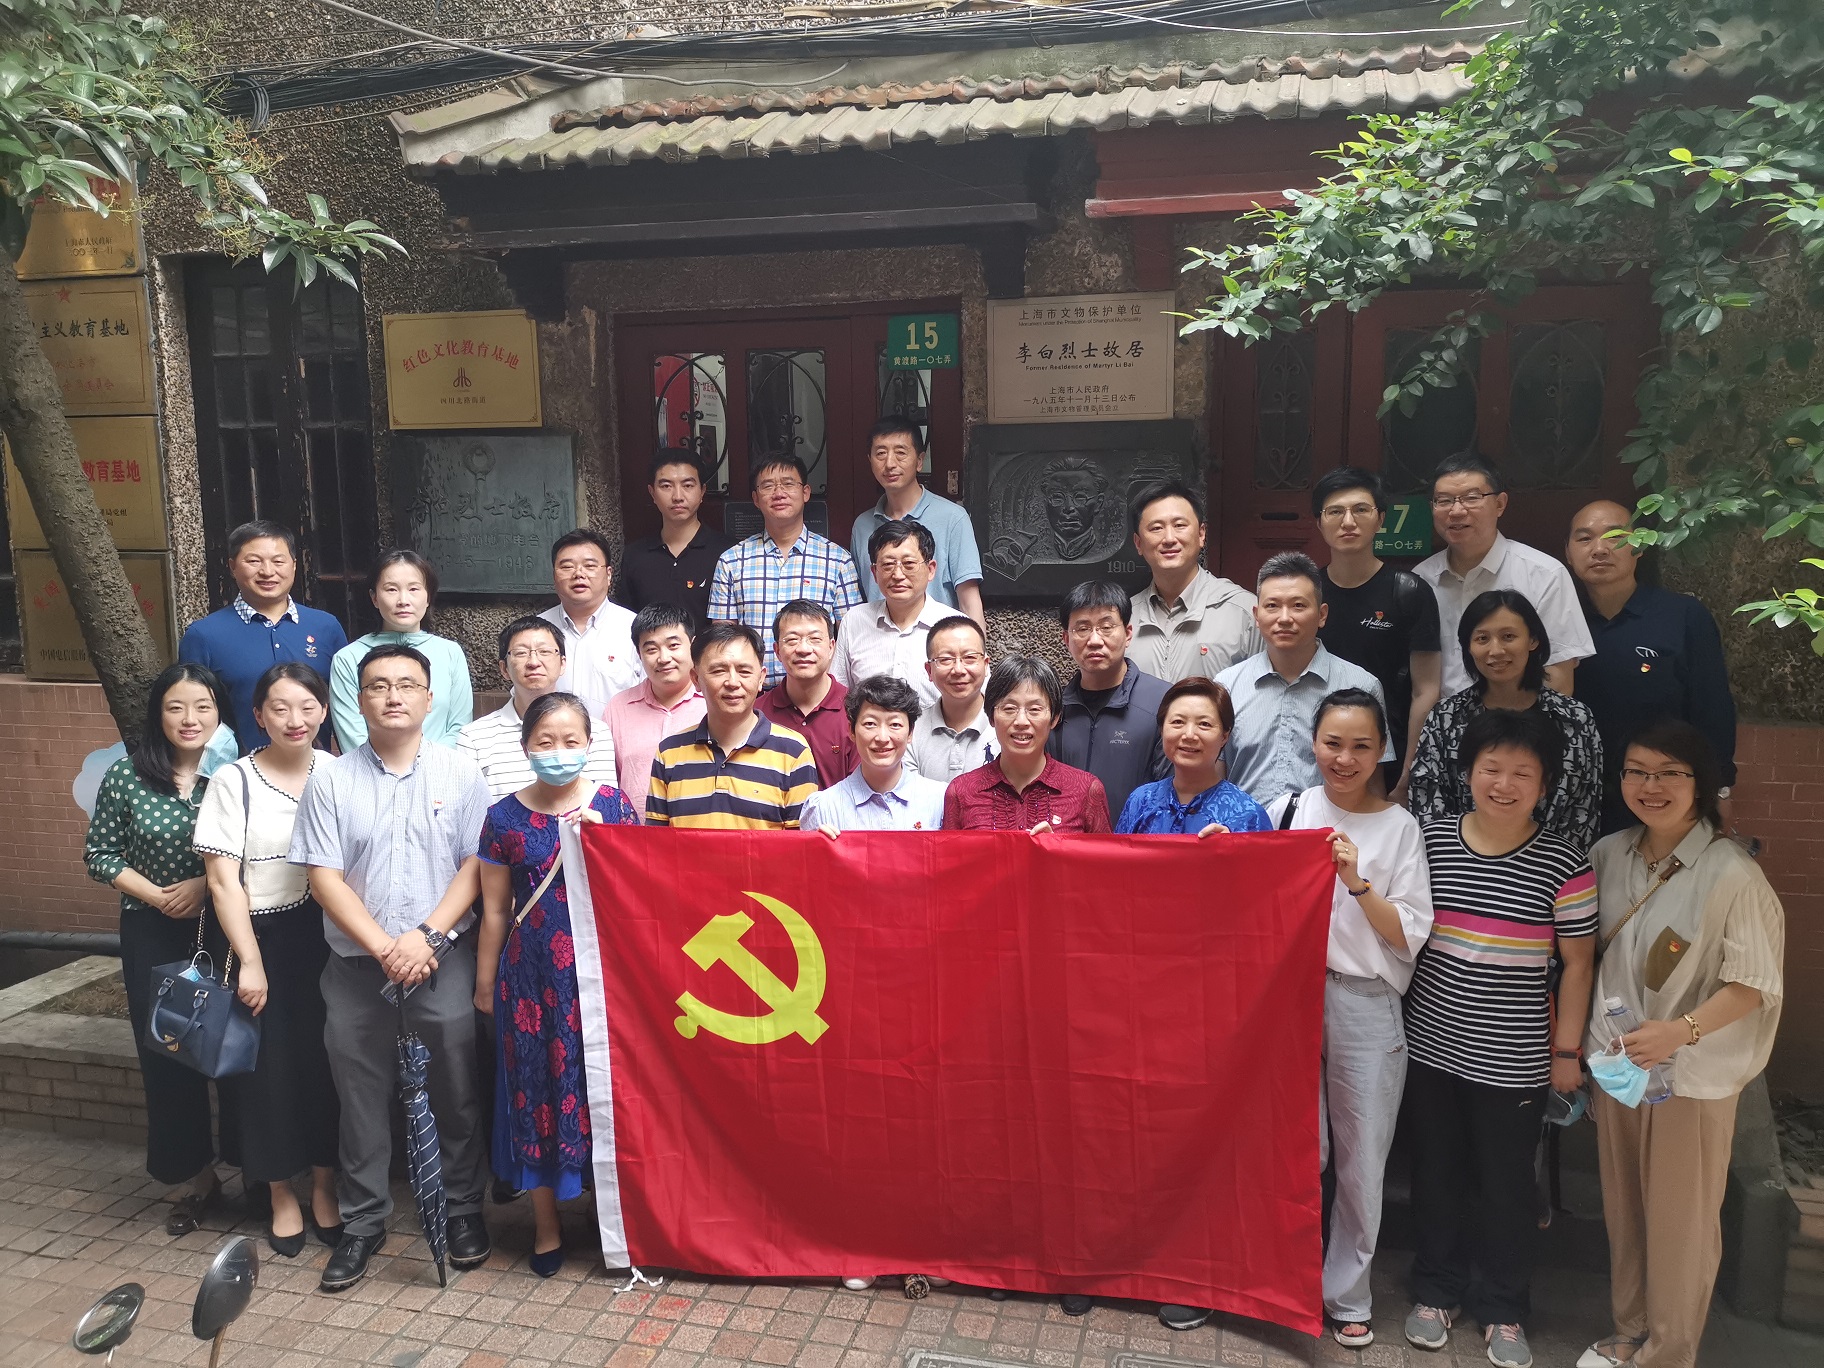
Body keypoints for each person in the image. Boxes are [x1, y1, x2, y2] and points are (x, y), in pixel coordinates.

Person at [291, 643, 494, 1292]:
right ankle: (364, 1221)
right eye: (379, 685)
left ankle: (463, 1209)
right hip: (357, 969)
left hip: (442, 962)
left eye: (407, 684)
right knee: (359, 1100)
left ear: (430, 700)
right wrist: (385, 947)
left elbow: (476, 865)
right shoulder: (330, 779)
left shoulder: (462, 774)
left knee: (455, 1091)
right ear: (360, 700)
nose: (393, 696)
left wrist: (427, 937)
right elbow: (323, 876)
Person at [1580, 722, 1783, 1368]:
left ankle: (1668, 1353)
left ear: (1701, 783)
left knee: (1681, 1223)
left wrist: (1679, 1030)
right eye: (1637, 771)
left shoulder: (1732, 873)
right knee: (1626, 1212)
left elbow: (1752, 984)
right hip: (1620, 1068)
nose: (1651, 786)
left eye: (1670, 772)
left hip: (1689, 1078)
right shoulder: (1608, 854)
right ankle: (1629, 1331)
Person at [1401, 708, 1596, 1368]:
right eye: (1491, 768)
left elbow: (1578, 965)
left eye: (1522, 773)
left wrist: (1566, 1053)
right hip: (1430, 1046)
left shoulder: (1565, 863)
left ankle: (1504, 1307)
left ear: (1545, 785)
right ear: (1467, 772)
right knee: (1436, 1175)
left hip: (1514, 1060)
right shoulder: (1430, 841)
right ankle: (1436, 1291)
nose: (1504, 784)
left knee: (1507, 1187)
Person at [1263, 690, 1434, 1348]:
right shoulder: (1290, 811)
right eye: (1333, 743)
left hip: (1366, 1002)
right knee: (1297, 1150)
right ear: (1313, 743)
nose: (1345, 758)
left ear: (1382, 750)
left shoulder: (1401, 828)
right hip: (1292, 1000)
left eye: (1362, 745)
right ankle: (1287, 1278)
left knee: (1363, 1158)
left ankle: (1348, 1293)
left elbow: (1407, 933)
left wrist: (1358, 883)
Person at [473, 692, 641, 1277]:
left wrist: (604, 843)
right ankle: (546, 1224)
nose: (558, 751)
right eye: (545, 741)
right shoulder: (503, 818)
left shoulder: (612, 806)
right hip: (532, 982)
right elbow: (496, 910)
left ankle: (610, 1218)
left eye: (571, 741)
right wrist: (485, 982)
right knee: (536, 1092)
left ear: (590, 745)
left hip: (603, 979)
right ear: (525, 747)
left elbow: (637, 893)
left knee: (603, 1092)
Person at [84, 663, 238, 1236]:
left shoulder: (236, 774)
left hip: (226, 927)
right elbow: (100, 854)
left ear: (220, 712)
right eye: (176, 707)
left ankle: (257, 1168)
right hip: (153, 930)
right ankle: (197, 1179)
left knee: (236, 1047)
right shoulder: (127, 775)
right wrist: (159, 896)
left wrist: (204, 885)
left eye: (202, 706)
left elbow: (257, 850)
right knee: (170, 1054)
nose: (189, 718)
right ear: (158, 714)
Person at [193, 662, 340, 1257]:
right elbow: (222, 881)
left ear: (324, 710)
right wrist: (250, 961)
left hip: (329, 937)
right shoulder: (235, 781)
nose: (294, 719)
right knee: (268, 1072)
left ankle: (325, 1186)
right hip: (261, 937)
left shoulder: (339, 771)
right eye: (279, 708)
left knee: (327, 1066)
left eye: (306, 706)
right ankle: (280, 1192)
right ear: (258, 715)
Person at [1566, 500, 1738, 835]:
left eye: (1615, 536)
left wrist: (1720, 787)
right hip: (1576, 790)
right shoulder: (1558, 619)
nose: (1599, 549)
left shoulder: (1683, 616)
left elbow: (1712, 707)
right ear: (1568, 554)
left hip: (1660, 788)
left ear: (1640, 545)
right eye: (1584, 539)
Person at [1408, 590, 1604, 851]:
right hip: (1457, 863)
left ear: (1533, 640)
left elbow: (1583, 807)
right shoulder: (1446, 717)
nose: (1496, 650)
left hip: (1550, 864)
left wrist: (1553, 864)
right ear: (1468, 646)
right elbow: (1427, 798)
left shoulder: (1574, 719)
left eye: (1508, 636)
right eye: (1482, 638)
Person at [1214, 552, 1390, 807]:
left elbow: (1372, 783)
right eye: (1272, 606)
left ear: (1322, 614)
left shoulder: (1361, 685)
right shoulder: (1227, 686)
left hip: (1329, 830)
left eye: (1298, 605)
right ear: (1257, 615)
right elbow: (1215, 777)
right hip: (1245, 828)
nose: (1285, 618)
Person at [1414, 452, 1594, 698]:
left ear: (1500, 504)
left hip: (1518, 721)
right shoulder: (1421, 579)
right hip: (1440, 721)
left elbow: (1558, 678)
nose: (1456, 511)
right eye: (1443, 501)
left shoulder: (1545, 574)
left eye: (1471, 498)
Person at [1312, 467, 1443, 798]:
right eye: (1335, 512)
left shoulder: (1409, 592)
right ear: (1319, 523)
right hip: (1318, 755)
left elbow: (1426, 689)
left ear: (1381, 519)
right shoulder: (1307, 594)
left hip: (1388, 757)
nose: (1348, 522)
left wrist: (1407, 773)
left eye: (1360, 509)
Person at [178, 519, 348, 751]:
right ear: (232, 566)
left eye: (278, 561)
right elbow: (191, 713)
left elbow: (344, 707)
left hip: (315, 767)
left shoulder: (326, 627)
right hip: (237, 768)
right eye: (254, 561)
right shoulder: (204, 635)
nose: (268, 572)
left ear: (294, 565)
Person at [708, 454, 863, 686]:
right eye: (768, 486)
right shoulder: (731, 561)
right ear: (755, 498)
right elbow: (722, 639)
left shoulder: (838, 560)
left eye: (788, 484)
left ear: (806, 492)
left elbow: (852, 637)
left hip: (817, 695)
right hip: (752, 694)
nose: (779, 493)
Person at [646, 623, 821, 829]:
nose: (732, 682)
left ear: (761, 678)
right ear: (696, 679)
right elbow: (655, 842)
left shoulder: (793, 752)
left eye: (744, 671)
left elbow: (801, 843)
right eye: (718, 671)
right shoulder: (669, 753)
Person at [943, 656, 1112, 835]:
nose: (1021, 721)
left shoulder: (1087, 790)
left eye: (1035, 709)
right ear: (992, 717)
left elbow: (1105, 854)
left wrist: (1058, 848)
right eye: (1009, 708)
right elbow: (947, 853)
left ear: (1054, 718)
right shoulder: (961, 792)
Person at [459, 617, 617, 801]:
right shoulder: (474, 738)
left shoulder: (596, 731)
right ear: (504, 668)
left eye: (545, 651)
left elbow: (608, 804)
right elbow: (469, 810)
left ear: (562, 663)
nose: (534, 662)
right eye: (520, 653)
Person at [328, 549, 472, 753]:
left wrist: (427, 765)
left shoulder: (450, 653)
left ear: (428, 597)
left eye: (413, 589)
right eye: (391, 589)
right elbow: (353, 737)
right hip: (370, 770)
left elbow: (460, 728)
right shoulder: (348, 658)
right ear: (374, 598)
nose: (403, 600)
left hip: (442, 768)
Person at [1051, 580, 1170, 821]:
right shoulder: (1053, 709)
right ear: (1066, 639)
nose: (1095, 640)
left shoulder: (1163, 702)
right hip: (1066, 841)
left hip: (1137, 841)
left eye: (1106, 627)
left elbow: (1174, 793)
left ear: (1128, 634)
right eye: (1082, 629)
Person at [849, 416, 985, 624]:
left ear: (920, 460)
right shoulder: (862, 525)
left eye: (900, 453)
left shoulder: (953, 518)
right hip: (878, 640)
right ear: (870, 461)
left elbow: (969, 602)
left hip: (937, 640)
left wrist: (975, 644)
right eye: (881, 453)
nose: (890, 464)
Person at [1125, 480, 1260, 682]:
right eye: (1156, 528)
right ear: (1138, 543)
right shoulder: (1124, 617)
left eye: (1179, 525)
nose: (1169, 538)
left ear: (1201, 534)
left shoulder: (1244, 612)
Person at [1114, 679, 1267, 836]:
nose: (1189, 735)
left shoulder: (1249, 815)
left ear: (1224, 736)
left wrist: (1235, 846)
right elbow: (1118, 851)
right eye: (1178, 722)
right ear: (1162, 730)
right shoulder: (1141, 801)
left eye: (1204, 724)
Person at [801, 675, 948, 834]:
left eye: (895, 724)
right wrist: (819, 843)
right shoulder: (823, 808)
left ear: (910, 733)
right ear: (851, 731)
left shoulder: (941, 800)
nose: (882, 738)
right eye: (870, 724)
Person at [831, 519, 950, 704]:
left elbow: (976, 700)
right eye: (887, 565)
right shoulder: (854, 621)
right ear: (874, 572)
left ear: (930, 569)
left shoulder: (955, 626)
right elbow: (838, 695)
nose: (898, 575)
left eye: (909, 564)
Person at [605, 603, 706, 818]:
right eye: (651, 649)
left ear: (693, 645)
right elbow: (606, 782)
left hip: (698, 831)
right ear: (639, 654)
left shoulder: (713, 702)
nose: (664, 658)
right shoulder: (618, 707)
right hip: (634, 832)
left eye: (673, 645)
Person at [614, 448, 730, 627]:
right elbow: (625, 621)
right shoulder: (635, 555)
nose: (677, 497)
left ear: (702, 491)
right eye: (666, 486)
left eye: (688, 485)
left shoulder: (727, 553)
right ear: (652, 493)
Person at [757, 599, 857, 789]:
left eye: (815, 639)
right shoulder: (756, 714)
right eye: (792, 640)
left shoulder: (856, 711)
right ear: (777, 651)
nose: (803, 649)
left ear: (831, 647)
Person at [541, 530, 641, 716]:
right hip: (551, 734)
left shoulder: (635, 629)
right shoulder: (536, 630)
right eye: (567, 567)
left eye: (589, 566)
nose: (579, 574)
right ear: (554, 576)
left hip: (617, 734)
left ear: (608, 575)